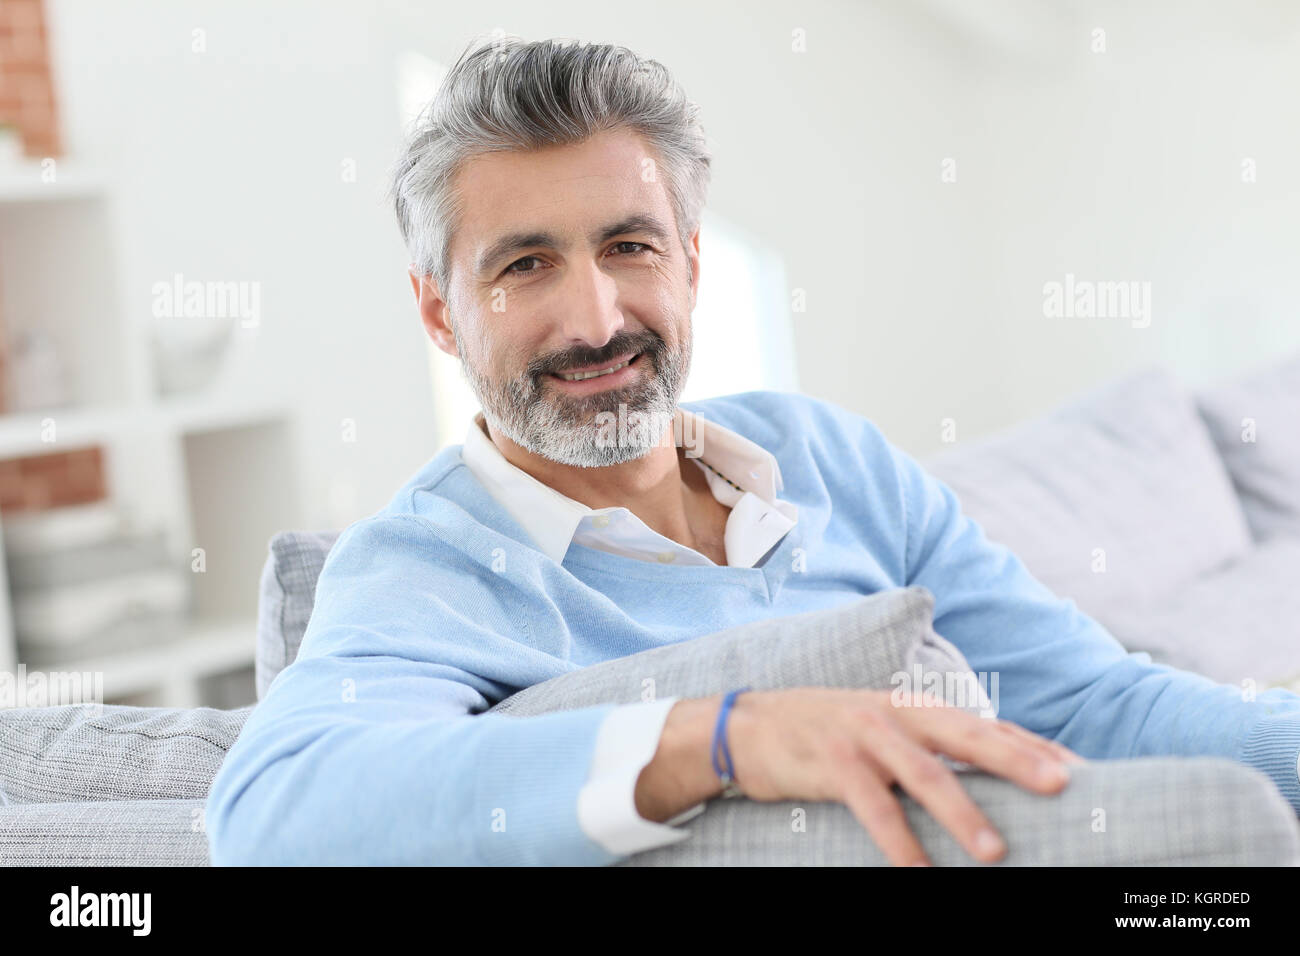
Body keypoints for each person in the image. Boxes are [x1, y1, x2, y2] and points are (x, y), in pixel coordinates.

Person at [205, 36, 1300, 866]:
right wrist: (726, 738)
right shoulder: (424, 565)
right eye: (524, 266)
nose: (594, 321)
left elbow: (1097, 703)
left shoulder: (827, 455)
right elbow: (271, 811)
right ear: (440, 312)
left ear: (688, 260)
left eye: (627, 247)